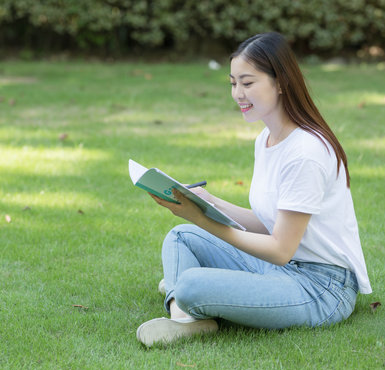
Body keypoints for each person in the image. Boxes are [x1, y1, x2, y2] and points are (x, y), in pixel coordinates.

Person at [136, 32, 372, 347]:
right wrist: (208, 202)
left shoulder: (306, 153)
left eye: (248, 83)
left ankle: (185, 302)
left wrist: (202, 218)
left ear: (280, 82)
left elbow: (279, 248)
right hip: (280, 268)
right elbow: (269, 222)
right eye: (233, 83)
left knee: (191, 283)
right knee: (180, 237)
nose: (237, 94)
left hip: (320, 287)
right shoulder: (266, 138)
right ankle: (187, 315)